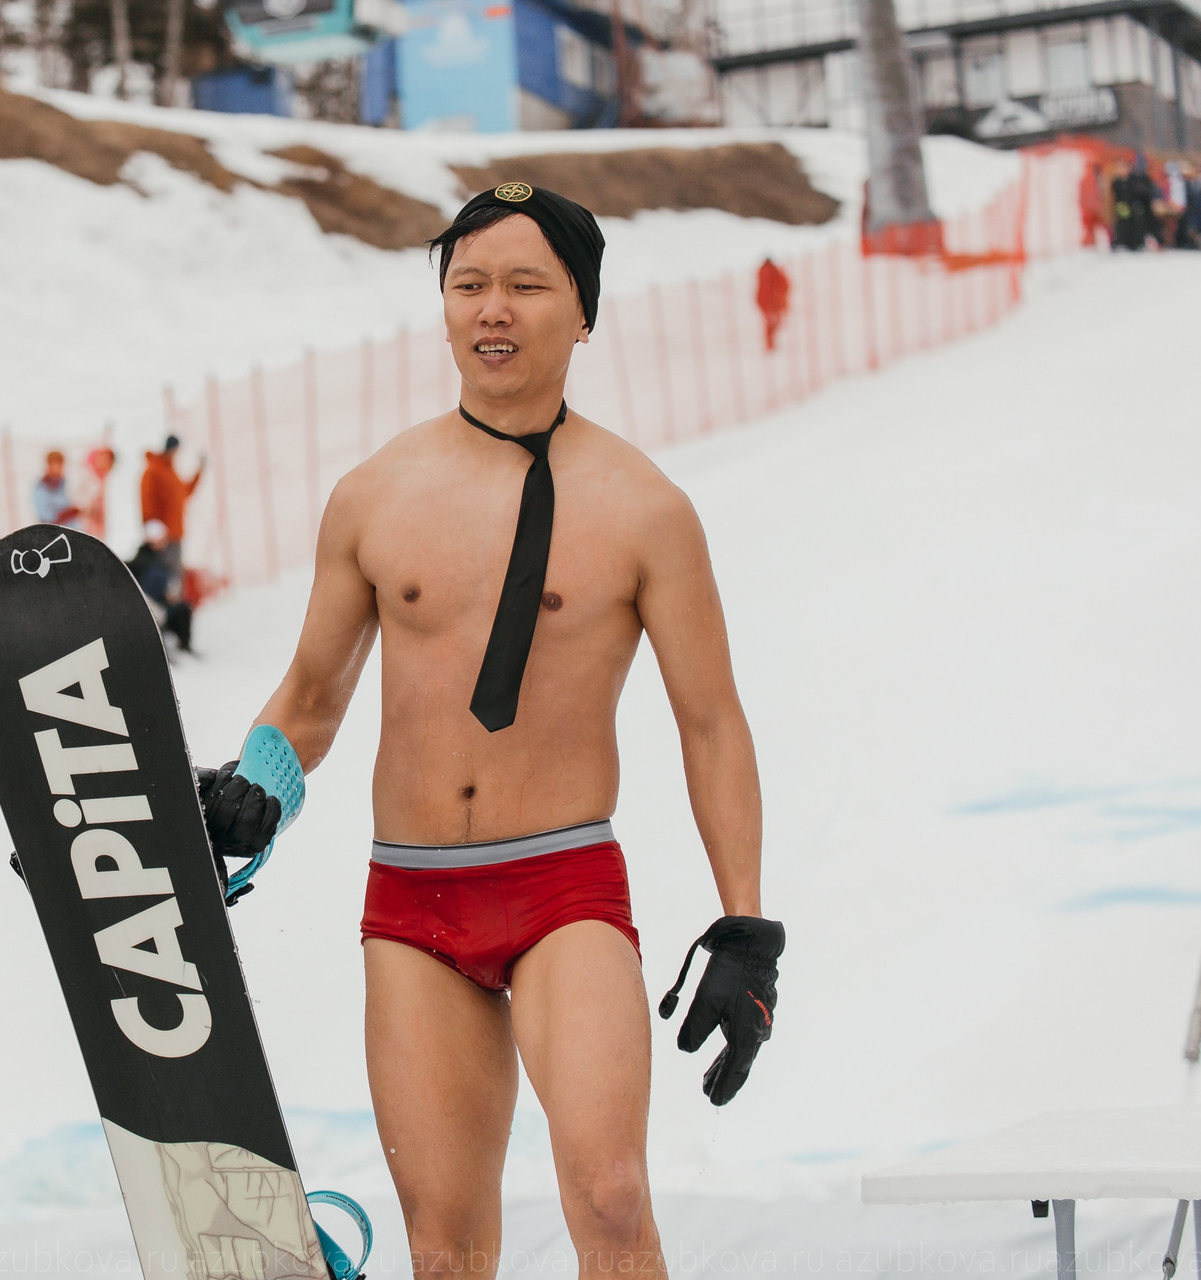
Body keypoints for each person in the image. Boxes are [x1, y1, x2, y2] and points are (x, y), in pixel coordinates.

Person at [193, 183, 780, 1280]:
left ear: (583, 312)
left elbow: (711, 724)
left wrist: (746, 926)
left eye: (525, 285)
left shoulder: (645, 507)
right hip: (412, 899)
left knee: (612, 1198)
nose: (492, 309)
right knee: (445, 1244)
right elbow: (312, 697)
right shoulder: (375, 494)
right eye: (468, 285)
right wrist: (257, 783)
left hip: (563, 884)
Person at [127, 518, 194, 653]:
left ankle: (184, 646)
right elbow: (141, 591)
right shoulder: (142, 562)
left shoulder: (161, 558)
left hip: (162, 603)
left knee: (183, 609)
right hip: (150, 607)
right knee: (159, 617)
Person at [140, 435, 205, 571]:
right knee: (163, 573)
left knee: (175, 573)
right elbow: (147, 500)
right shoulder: (153, 470)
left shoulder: (171, 472)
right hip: (162, 537)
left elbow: (184, 492)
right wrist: (153, 528)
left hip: (175, 533)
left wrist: (199, 472)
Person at [75, 444, 118, 538]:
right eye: (103, 458)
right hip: (84, 524)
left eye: (108, 460)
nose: (105, 462)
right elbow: (77, 499)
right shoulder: (85, 474)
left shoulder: (105, 478)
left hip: (99, 526)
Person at [33, 451, 81, 526]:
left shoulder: (65, 484)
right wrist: (69, 513)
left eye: (61, 466)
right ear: (48, 466)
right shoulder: (40, 489)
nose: (58, 470)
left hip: (72, 530)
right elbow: (47, 519)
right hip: (51, 531)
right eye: (55, 466)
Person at [755, 258, 790, 351]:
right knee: (773, 322)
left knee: (772, 323)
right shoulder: (772, 272)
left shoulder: (763, 273)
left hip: (767, 303)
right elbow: (784, 285)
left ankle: (770, 344)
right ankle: (770, 345)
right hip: (771, 303)